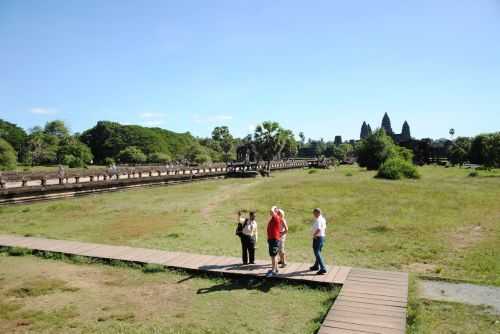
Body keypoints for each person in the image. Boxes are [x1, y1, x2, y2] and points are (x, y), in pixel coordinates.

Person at [310, 208, 327, 275]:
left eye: (314, 213)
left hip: (318, 237)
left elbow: (319, 229)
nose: (313, 215)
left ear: (318, 213)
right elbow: (324, 228)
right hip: (322, 237)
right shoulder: (323, 219)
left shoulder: (318, 220)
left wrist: (314, 235)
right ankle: (316, 266)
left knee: (317, 252)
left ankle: (323, 268)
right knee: (318, 251)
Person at [266, 206, 282, 277]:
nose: (271, 212)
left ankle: (273, 271)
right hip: (272, 239)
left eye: (273, 211)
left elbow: (271, 211)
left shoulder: (276, 218)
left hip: (274, 240)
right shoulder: (273, 218)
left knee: (273, 255)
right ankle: (276, 269)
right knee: (274, 255)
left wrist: (273, 208)